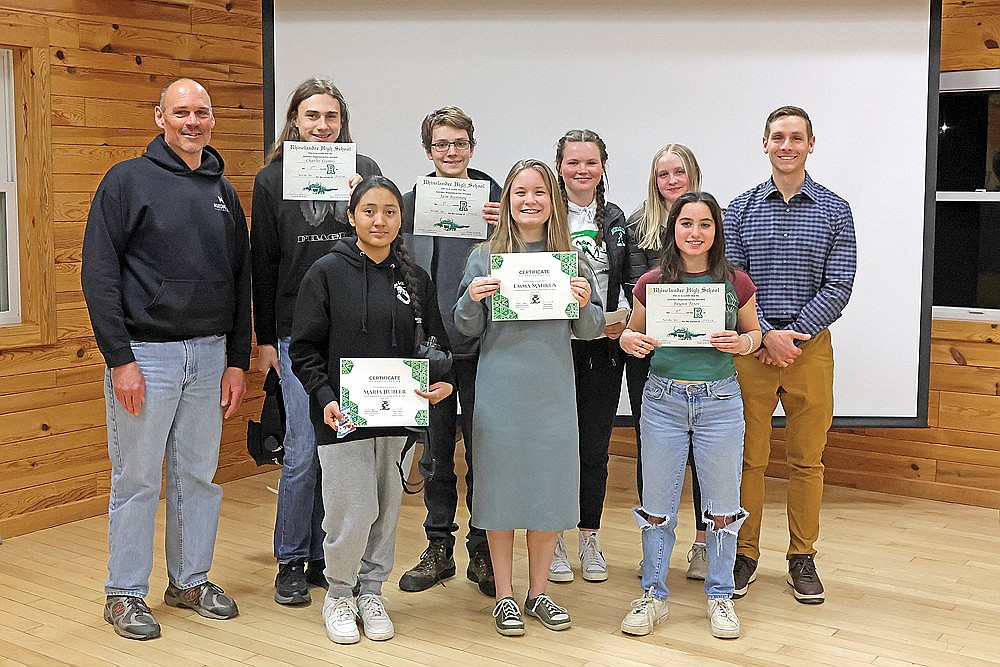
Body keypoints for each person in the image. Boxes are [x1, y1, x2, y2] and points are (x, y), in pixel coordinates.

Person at [81, 78, 250, 640]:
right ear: (160, 117)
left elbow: (239, 281)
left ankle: (189, 581)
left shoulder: (223, 190)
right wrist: (120, 358)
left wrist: (236, 360)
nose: (192, 121)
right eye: (181, 112)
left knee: (198, 476)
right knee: (136, 480)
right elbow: (99, 274)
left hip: (208, 357)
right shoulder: (126, 182)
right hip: (145, 357)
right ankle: (125, 593)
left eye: (201, 112)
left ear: (211, 119)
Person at [289, 176, 454, 644]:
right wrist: (325, 399)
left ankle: (372, 590)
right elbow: (304, 350)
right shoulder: (325, 271)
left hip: (400, 416)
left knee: (385, 508)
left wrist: (440, 383)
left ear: (401, 219)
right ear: (351, 215)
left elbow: (436, 344)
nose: (380, 220)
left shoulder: (413, 277)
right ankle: (339, 593)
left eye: (390, 212)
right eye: (370, 211)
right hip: (344, 414)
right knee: (351, 508)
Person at [454, 160, 605, 636]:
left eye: (540, 192)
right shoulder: (483, 257)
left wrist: (584, 302)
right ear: (507, 200)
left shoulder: (572, 259)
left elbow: (592, 329)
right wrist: (471, 298)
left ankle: (539, 592)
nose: (530, 201)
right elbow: (465, 327)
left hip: (553, 390)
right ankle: (504, 596)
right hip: (500, 388)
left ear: (553, 200)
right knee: (500, 490)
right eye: (520, 192)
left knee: (546, 487)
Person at [251, 78, 382, 606]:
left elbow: (382, 236)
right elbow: (262, 261)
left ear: (342, 123)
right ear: (294, 122)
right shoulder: (270, 178)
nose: (321, 126)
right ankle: (290, 559)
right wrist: (264, 341)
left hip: (353, 334)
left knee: (343, 450)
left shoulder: (366, 173)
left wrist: (362, 193)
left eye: (330, 117)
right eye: (311, 116)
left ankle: (330, 557)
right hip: (293, 333)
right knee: (303, 452)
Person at [724, 105, 856, 604]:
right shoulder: (738, 210)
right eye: (778, 136)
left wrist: (791, 334)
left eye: (796, 137)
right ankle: (745, 553)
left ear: (810, 144)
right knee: (747, 460)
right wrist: (764, 335)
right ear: (764, 144)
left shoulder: (835, 209)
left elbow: (839, 285)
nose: (787, 145)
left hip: (809, 350)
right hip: (751, 350)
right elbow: (732, 282)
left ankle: (803, 557)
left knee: (807, 461)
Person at [618, 191, 760, 639]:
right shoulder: (653, 282)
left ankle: (720, 596)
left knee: (721, 508)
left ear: (716, 231)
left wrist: (743, 343)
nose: (694, 233)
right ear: (673, 229)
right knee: (657, 506)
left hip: (720, 402)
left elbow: (755, 333)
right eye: (686, 224)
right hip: (662, 401)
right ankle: (653, 595)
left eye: (704, 224)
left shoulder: (735, 282)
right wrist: (628, 342)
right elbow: (630, 334)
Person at [398, 106, 501, 597]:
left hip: (487, 347)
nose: (452, 152)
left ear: (473, 146)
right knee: (435, 455)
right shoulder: (408, 203)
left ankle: (482, 549)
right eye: (441, 144)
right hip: (431, 347)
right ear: (428, 151)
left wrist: (504, 226)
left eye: (460, 143)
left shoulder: (498, 199)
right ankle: (438, 547)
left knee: (484, 452)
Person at [624, 144, 711, 578]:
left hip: (706, 357)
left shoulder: (711, 221)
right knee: (652, 451)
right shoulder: (638, 225)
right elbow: (635, 285)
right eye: (663, 174)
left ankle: (701, 543)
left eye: (680, 172)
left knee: (704, 452)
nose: (672, 180)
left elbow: (727, 282)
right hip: (652, 353)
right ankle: (653, 548)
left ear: (693, 175)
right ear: (654, 180)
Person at [548, 129, 628, 584]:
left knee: (595, 447)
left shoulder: (615, 217)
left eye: (591, 162)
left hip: (603, 345)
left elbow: (632, 275)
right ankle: (554, 539)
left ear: (602, 168)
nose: (582, 171)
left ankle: (589, 537)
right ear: (560, 166)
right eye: (573, 162)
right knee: (558, 445)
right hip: (554, 346)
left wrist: (625, 319)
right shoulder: (545, 214)